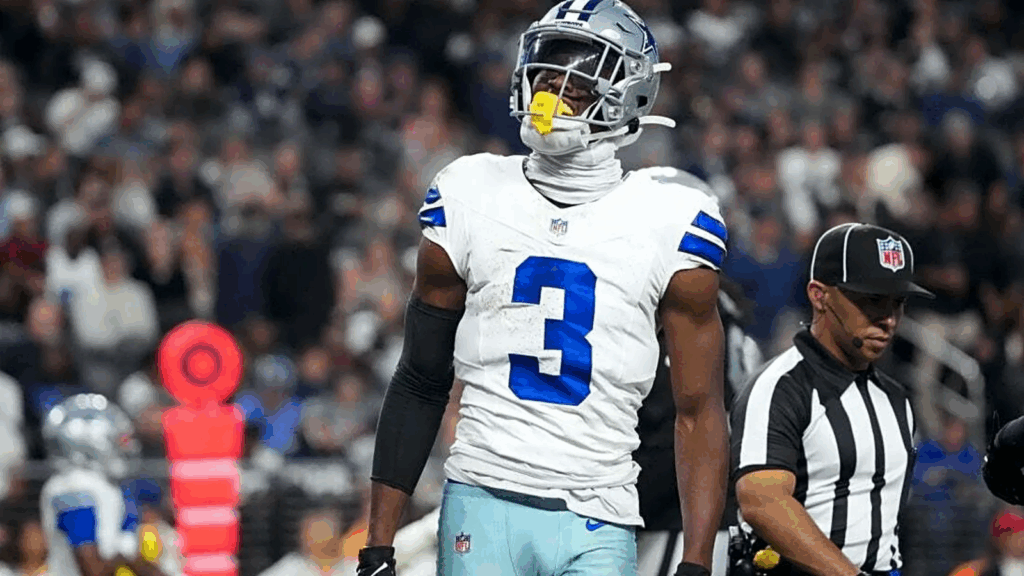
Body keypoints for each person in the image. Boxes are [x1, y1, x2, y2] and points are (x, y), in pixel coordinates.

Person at [358, 1, 730, 575]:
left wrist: (697, 562)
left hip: (601, 509)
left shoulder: (672, 218)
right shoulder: (469, 191)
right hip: (482, 494)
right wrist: (378, 544)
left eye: (575, 83)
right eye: (546, 77)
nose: (552, 96)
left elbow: (700, 410)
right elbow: (420, 377)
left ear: (629, 96)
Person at [730, 223, 934, 576]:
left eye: (897, 303)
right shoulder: (780, 387)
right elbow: (763, 503)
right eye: (872, 300)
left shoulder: (896, 398)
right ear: (819, 295)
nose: (888, 319)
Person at [631, 168, 765, 576]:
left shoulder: (682, 313)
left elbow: (673, 433)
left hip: (671, 521)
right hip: (694, 514)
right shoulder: (724, 307)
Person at [39, 393, 169, 576]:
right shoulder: (72, 487)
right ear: (90, 441)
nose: (128, 447)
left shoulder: (106, 486)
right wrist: (123, 556)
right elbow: (91, 567)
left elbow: (126, 555)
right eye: (118, 440)